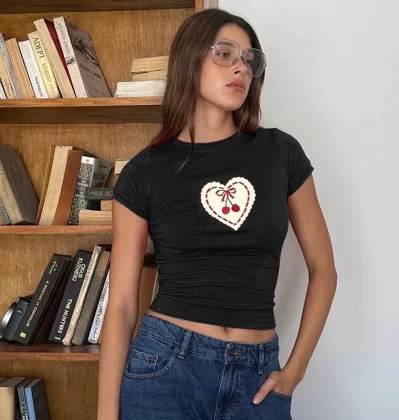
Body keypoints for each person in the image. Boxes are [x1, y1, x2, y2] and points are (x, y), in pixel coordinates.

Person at [97, 8, 337, 420]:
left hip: (258, 377)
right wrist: (106, 414)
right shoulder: (144, 172)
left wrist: (294, 372)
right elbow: (120, 306)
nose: (241, 67)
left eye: (250, 59)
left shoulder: (280, 153)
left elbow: (324, 269)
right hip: (166, 369)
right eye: (224, 54)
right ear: (189, 60)